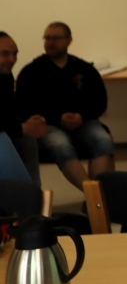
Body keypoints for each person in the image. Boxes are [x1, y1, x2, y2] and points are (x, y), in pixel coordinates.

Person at [15, 22, 114, 191]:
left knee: (103, 140)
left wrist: (81, 116)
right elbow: (23, 107)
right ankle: (93, 195)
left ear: (69, 40)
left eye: (56, 38)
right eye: (47, 38)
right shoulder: (31, 71)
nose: (50, 42)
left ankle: (98, 197)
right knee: (60, 145)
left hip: (84, 122)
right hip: (49, 124)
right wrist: (58, 119)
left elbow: (100, 101)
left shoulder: (85, 69)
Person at [0, 32, 44, 186]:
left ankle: (32, 193)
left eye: (15, 54)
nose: (12, 59)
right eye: (5, 54)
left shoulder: (5, 76)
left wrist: (28, 124)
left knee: (27, 139)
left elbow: (7, 112)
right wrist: (21, 127)